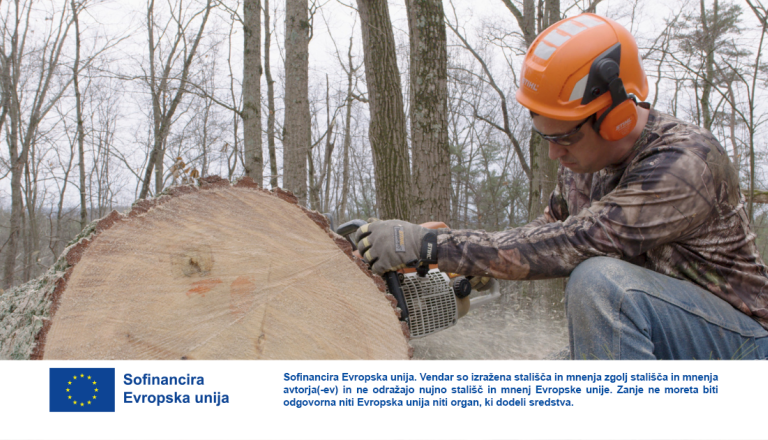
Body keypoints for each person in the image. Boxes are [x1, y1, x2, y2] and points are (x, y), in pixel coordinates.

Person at [353, 13, 768, 360]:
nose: (555, 155)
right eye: (546, 139)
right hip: (660, 327)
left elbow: (581, 242)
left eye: (564, 138)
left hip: (741, 344)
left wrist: (431, 247)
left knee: (599, 282)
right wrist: (469, 260)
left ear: (617, 117)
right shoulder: (585, 160)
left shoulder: (685, 164)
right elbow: (548, 229)